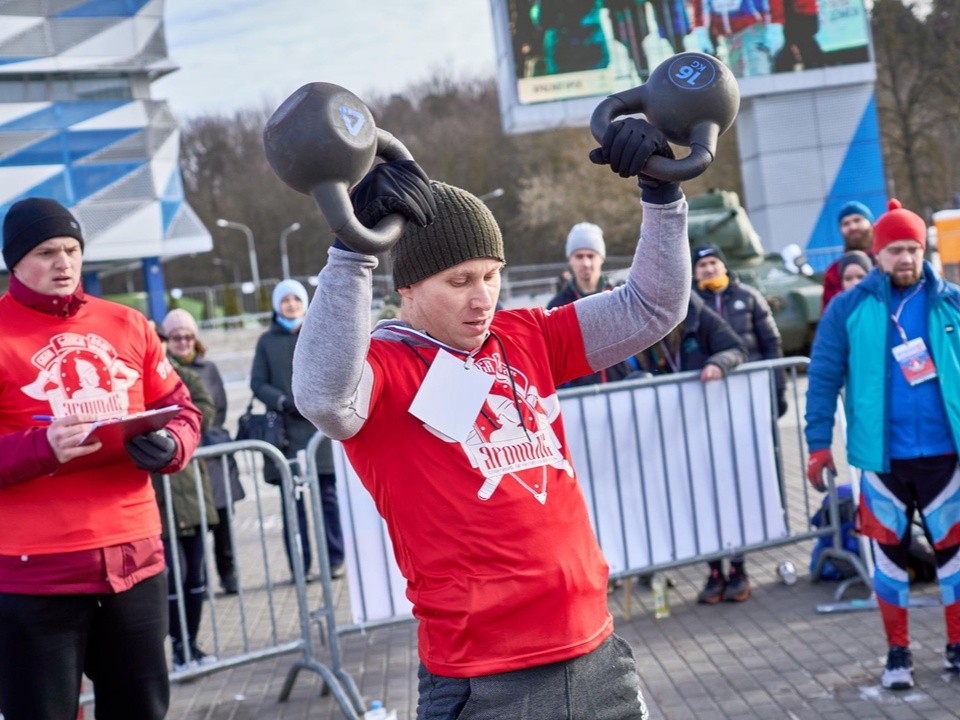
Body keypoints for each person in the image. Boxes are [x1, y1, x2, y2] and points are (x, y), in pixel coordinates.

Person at [292, 117, 689, 719]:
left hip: (596, 649)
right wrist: (352, 254)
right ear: (409, 287)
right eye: (459, 282)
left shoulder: (524, 334)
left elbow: (652, 306)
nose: (483, 299)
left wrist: (663, 194)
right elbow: (324, 399)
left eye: (491, 276)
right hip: (487, 675)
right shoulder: (383, 367)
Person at [0, 197, 202, 719]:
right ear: (14, 262)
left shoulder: (129, 324)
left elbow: (181, 408)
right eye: (46, 252)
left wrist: (174, 444)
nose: (63, 262)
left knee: (142, 710)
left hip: (135, 561)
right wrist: (39, 449)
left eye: (72, 249)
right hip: (36, 574)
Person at [805, 199, 960, 690]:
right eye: (895, 250)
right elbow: (823, 378)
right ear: (877, 254)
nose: (906, 259)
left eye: (913, 249)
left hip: (946, 456)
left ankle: (957, 645)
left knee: (954, 556)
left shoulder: (951, 301)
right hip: (880, 460)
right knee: (889, 561)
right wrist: (816, 444)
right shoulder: (846, 308)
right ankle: (898, 653)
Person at [691, 243, 782, 602]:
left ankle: (740, 567)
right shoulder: (687, 305)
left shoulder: (749, 297)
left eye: (713, 262)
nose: (708, 270)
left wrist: (777, 393)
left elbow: (770, 345)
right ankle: (715, 570)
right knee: (707, 493)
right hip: (701, 413)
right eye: (702, 265)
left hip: (745, 408)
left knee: (739, 486)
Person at [251, 279, 345, 580]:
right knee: (295, 504)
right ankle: (300, 565)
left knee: (328, 499)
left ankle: (335, 558)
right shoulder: (267, 341)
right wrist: (281, 401)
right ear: (276, 305)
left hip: (320, 431)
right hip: (288, 434)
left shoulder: (319, 333)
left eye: (296, 299)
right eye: (285, 300)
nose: (291, 305)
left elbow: (336, 369)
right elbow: (257, 383)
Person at [151, 324, 219, 671]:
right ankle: (176, 646)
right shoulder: (129, 382)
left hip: (189, 489)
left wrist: (166, 432)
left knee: (195, 575)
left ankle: (190, 643)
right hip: (155, 499)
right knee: (170, 576)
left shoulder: (183, 379)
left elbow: (204, 411)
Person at [163, 308, 245, 595]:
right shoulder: (164, 371)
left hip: (211, 450)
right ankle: (200, 579)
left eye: (187, 336)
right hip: (186, 456)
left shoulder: (208, 369)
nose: (183, 342)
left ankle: (228, 571)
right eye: (176, 337)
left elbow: (217, 406)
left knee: (222, 519)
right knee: (194, 523)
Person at [548, 222, 633, 386]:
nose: (586, 263)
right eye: (579, 257)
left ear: (601, 258)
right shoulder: (557, 306)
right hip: (581, 396)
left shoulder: (621, 297)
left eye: (591, 256)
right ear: (570, 260)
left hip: (624, 388)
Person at [821, 201, 875, 310]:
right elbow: (828, 313)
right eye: (846, 223)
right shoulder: (833, 272)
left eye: (857, 220)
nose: (852, 227)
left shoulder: (885, 262)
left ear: (870, 223)